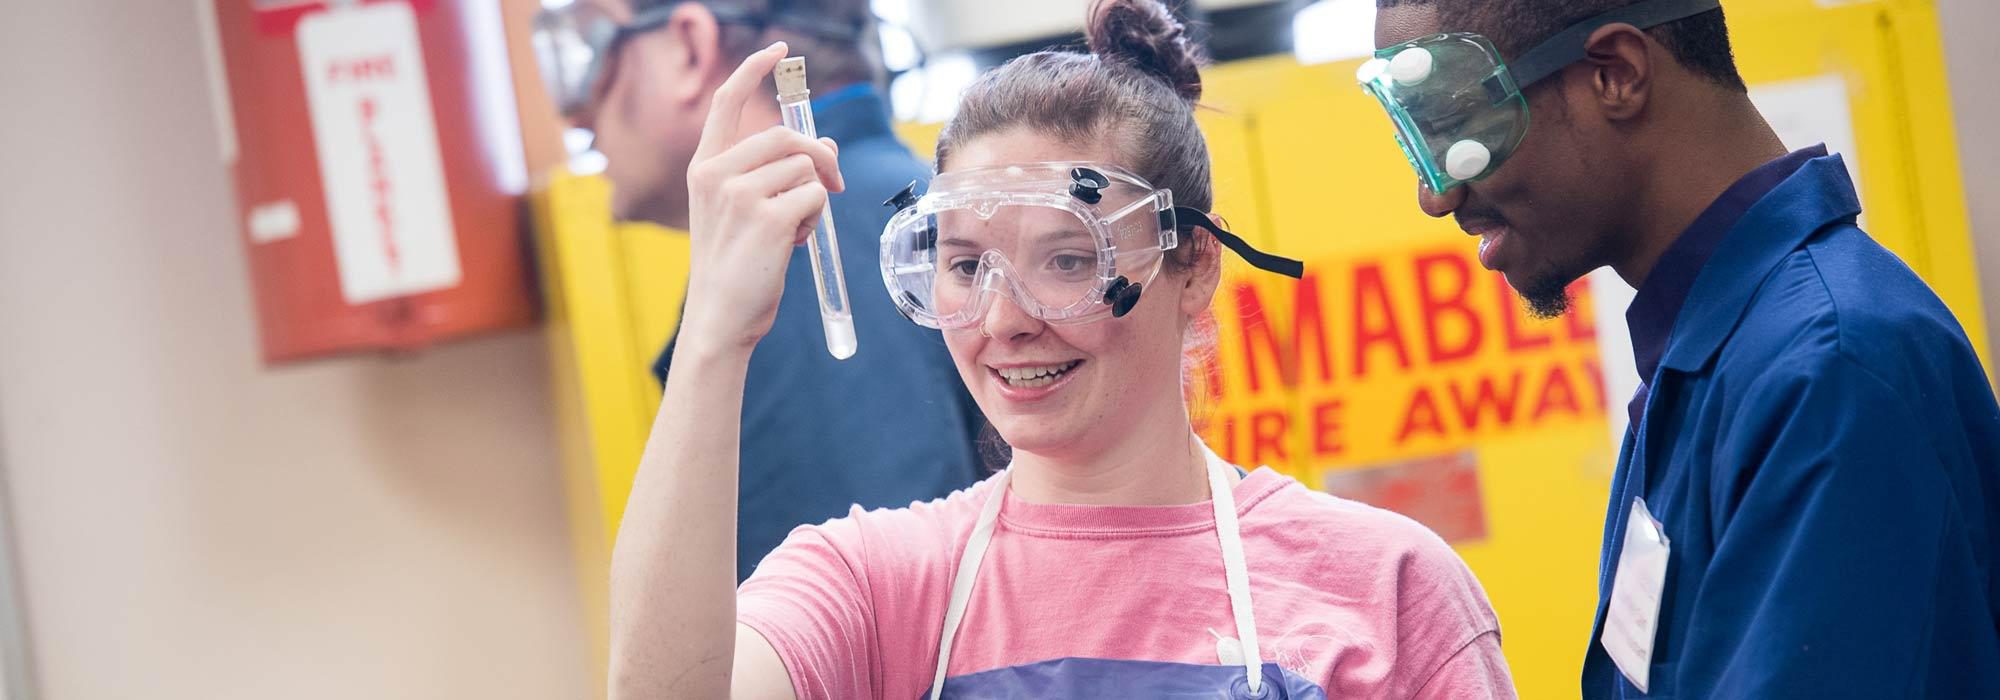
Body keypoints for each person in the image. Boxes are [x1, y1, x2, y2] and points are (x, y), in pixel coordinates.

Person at [608, 1, 1520, 697]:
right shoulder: (873, 586)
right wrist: (715, 342)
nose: (1004, 320)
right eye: (965, 265)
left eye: (1069, 259)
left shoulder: (1386, 585)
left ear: (1194, 266)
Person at [1361, 0, 2000, 696]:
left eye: (1455, 125)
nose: (1437, 195)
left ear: (1617, 73)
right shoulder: (1715, 359)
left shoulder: (1829, 369)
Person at [534, 0, 983, 582]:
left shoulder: (806, 245)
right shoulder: (900, 199)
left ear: (690, 48)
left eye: (596, 45)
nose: (576, 119)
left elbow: (862, 618)